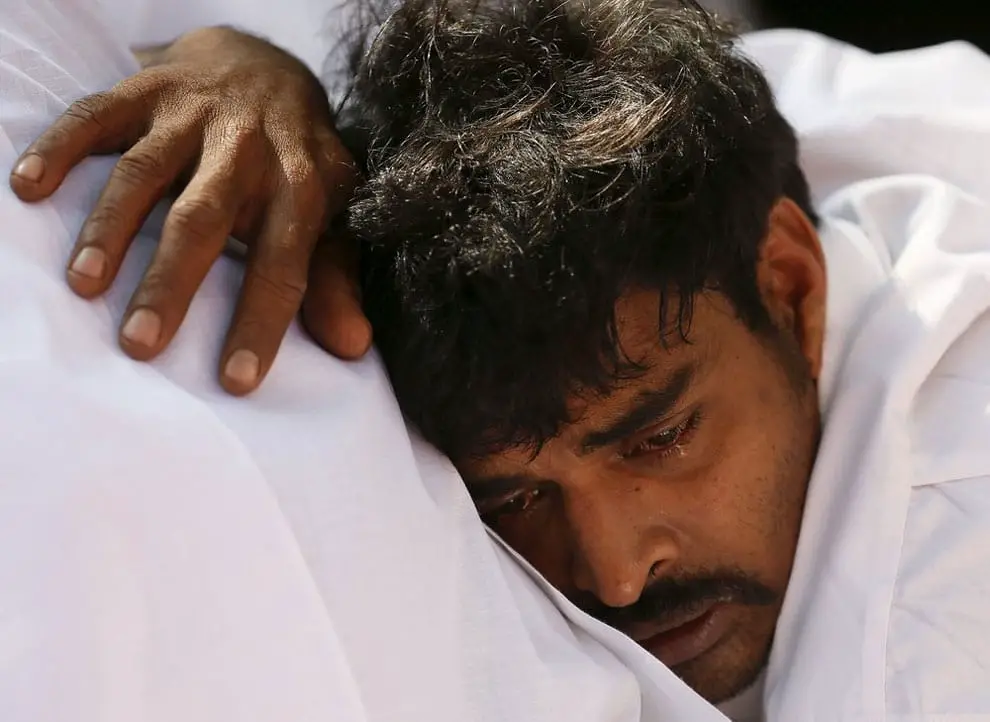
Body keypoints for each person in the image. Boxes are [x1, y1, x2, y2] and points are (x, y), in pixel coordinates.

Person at [10, 0, 990, 718]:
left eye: (660, 436)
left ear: (791, 286)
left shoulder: (932, 616)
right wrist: (245, 66)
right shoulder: (768, 129)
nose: (614, 573)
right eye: (516, 499)